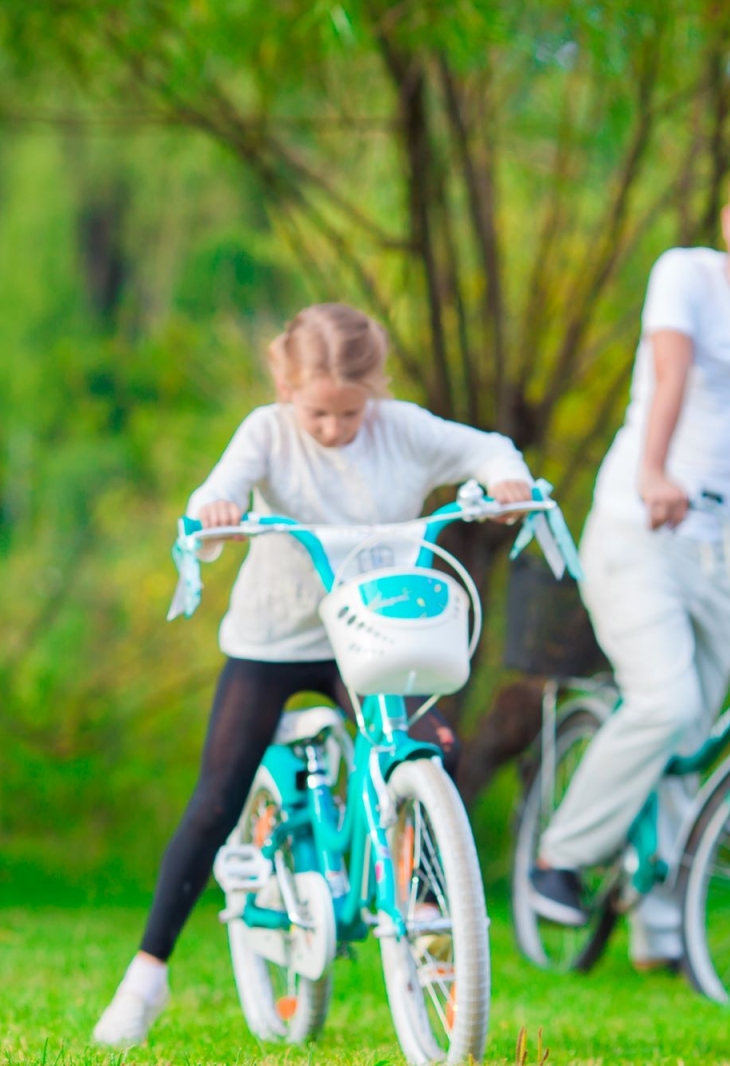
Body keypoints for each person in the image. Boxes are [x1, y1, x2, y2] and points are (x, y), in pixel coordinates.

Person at [92, 302, 534, 1047]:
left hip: (371, 630)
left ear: (375, 391)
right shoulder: (267, 431)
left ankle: (422, 907)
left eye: (349, 412)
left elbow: (488, 449)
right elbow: (219, 487)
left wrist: (507, 482)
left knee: (430, 748)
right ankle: (146, 977)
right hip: (276, 636)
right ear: (285, 386)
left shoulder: (403, 429)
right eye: (317, 412)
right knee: (217, 796)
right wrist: (218, 508)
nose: (332, 428)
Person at [529, 159, 730, 969]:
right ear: (726, 222)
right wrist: (653, 471)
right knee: (668, 699)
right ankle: (560, 857)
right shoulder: (684, 276)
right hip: (636, 522)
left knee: (703, 733)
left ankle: (658, 927)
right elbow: (669, 376)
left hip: (724, 542)